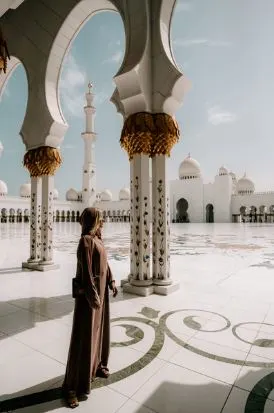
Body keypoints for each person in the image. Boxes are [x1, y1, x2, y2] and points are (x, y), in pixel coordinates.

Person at [63, 207, 118, 408]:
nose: (102, 222)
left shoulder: (97, 240)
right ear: (93, 220)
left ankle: (96, 366)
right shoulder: (85, 241)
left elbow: (106, 263)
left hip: (101, 293)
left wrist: (111, 281)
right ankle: (71, 386)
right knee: (83, 337)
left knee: (99, 332)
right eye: (100, 219)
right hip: (90, 297)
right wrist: (93, 297)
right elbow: (86, 271)